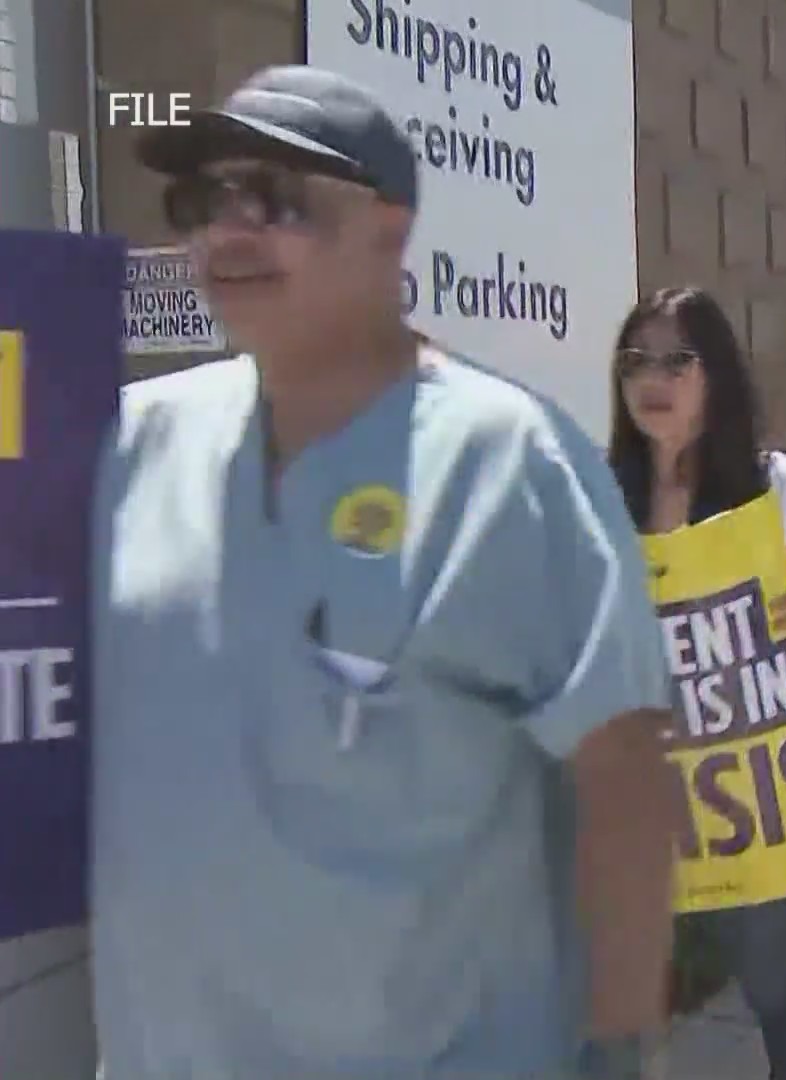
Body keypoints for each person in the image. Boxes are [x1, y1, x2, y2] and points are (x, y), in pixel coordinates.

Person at [101, 65, 677, 1079]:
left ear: (389, 225)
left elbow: (622, 784)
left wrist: (619, 1047)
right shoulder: (137, 444)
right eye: (204, 203)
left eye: (276, 201)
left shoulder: (510, 466)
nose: (229, 234)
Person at [607, 286, 786, 1080]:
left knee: (773, 987)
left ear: (714, 374)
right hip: (643, 793)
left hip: (750, 793)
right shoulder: (600, 495)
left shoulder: (775, 487)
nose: (653, 376)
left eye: (676, 359)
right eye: (636, 359)